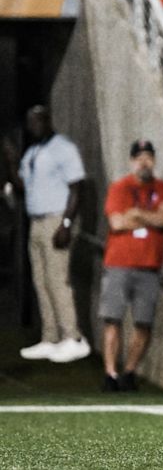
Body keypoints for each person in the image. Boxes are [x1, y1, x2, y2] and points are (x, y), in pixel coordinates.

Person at [11, 106, 91, 364]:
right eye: (29, 122)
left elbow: (77, 188)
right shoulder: (33, 151)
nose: (33, 126)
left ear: (47, 121)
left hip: (56, 219)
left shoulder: (63, 148)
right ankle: (51, 336)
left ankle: (73, 337)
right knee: (41, 280)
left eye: (37, 121)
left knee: (58, 280)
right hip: (36, 221)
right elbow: (23, 184)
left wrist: (67, 223)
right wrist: (11, 161)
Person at [99, 139, 163, 392]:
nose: (144, 161)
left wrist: (137, 214)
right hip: (119, 263)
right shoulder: (120, 187)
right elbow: (117, 223)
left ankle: (129, 371)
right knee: (113, 319)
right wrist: (150, 218)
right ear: (132, 161)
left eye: (148, 157)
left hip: (149, 266)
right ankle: (110, 373)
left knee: (143, 322)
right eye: (139, 157)